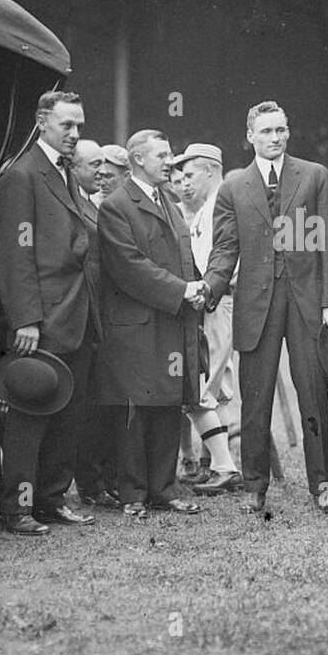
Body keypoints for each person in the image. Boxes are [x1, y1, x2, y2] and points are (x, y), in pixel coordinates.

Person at [203, 100, 328, 515]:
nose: (275, 138)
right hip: (256, 304)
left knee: (314, 395)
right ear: (250, 135)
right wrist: (209, 289)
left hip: (306, 304)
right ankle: (254, 487)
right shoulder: (233, 185)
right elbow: (225, 248)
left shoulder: (314, 176)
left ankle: (321, 484)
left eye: (281, 130)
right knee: (255, 398)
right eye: (266, 131)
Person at [0, 91, 97, 534]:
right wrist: (26, 319)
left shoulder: (63, 172)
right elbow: (13, 256)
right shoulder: (23, 175)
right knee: (32, 411)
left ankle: (51, 500)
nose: (75, 134)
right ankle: (17, 508)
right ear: (41, 122)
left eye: (79, 126)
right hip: (45, 317)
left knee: (67, 413)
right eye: (66, 125)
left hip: (76, 313)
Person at [96, 129, 205, 518]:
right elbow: (129, 268)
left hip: (168, 319)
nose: (170, 160)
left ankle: (164, 488)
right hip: (136, 326)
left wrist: (197, 286)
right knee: (135, 410)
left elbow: (182, 257)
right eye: (163, 154)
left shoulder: (169, 202)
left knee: (166, 406)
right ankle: (133, 494)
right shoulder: (117, 205)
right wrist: (182, 291)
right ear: (138, 160)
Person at [173, 142, 243, 494]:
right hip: (217, 302)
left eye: (189, 174)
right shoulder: (204, 208)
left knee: (198, 389)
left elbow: (224, 261)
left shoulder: (221, 203)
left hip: (217, 301)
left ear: (211, 170)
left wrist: (202, 293)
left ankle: (224, 466)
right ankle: (211, 462)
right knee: (221, 389)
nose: (183, 183)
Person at [66, 140, 119, 509]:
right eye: (94, 164)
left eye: (105, 164)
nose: (102, 171)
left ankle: (98, 480)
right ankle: (89, 482)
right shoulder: (73, 203)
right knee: (84, 406)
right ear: (73, 167)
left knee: (99, 405)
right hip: (82, 317)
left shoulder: (92, 202)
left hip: (103, 317)